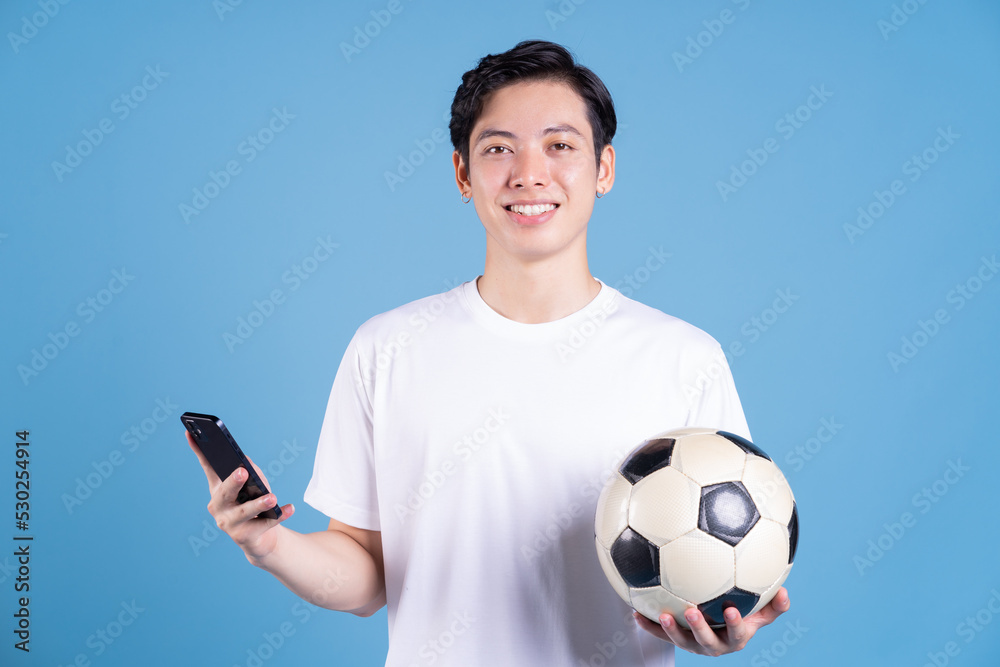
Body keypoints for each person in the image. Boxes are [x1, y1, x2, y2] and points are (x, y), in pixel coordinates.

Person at [187, 39, 790, 665]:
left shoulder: (683, 357)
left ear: (604, 168)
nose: (529, 173)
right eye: (499, 147)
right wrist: (269, 545)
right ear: (462, 174)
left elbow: (723, 564)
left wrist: (717, 625)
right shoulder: (387, 349)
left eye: (560, 145)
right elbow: (366, 578)